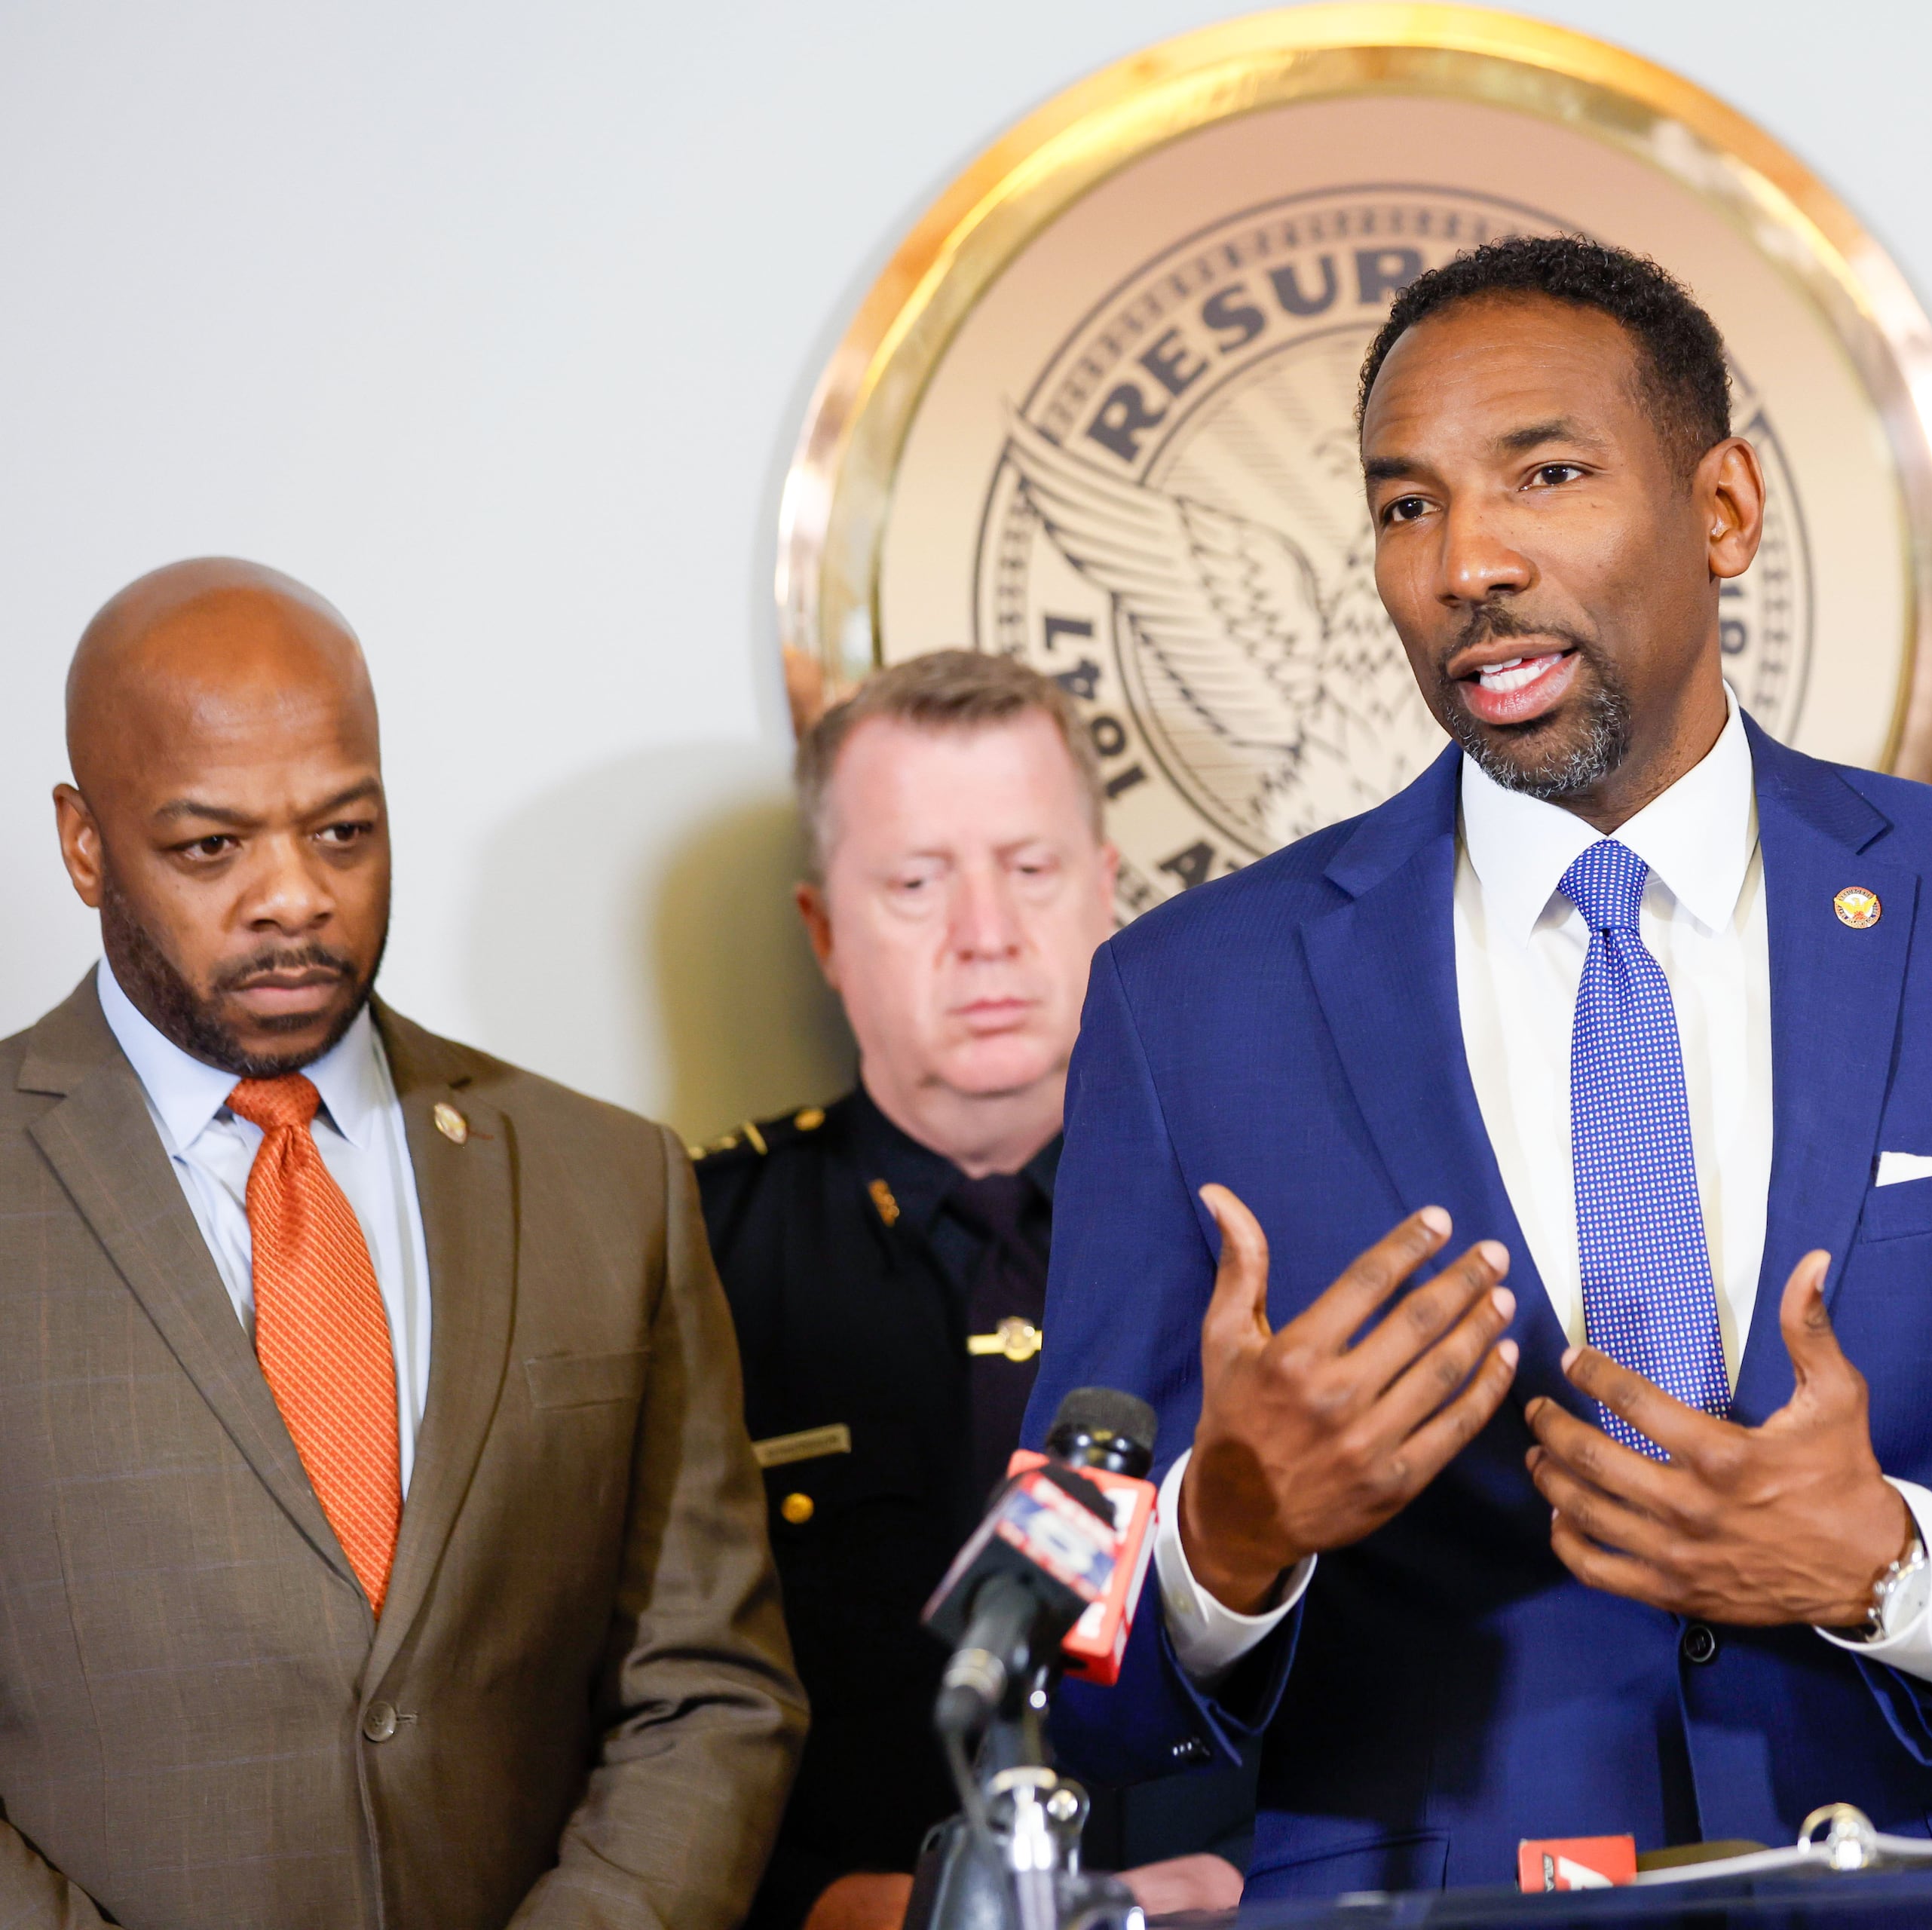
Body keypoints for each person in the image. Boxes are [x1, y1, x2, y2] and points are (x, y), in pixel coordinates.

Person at [1024, 235, 1932, 1895]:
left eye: (1543, 473)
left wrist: (1894, 1563)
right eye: (1407, 506)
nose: (1467, 557)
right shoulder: (1192, 999)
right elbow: (1042, 1654)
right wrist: (1220, 1539)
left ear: (1726, 512)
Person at [0, 559, 804, 1927]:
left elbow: (708, 1688)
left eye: (343, 833)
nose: (293, 897)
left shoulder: (608, 1182)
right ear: (85, 844)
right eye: (211, 848)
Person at [696, 652, 1248, 1930]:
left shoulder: (1264, 1224)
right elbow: (634, 1689)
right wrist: (821, 1905)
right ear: (823, 930)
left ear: (1106, 894)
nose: (985, 934)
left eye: (1032, 869)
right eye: (915, 881)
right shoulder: (692, 1254)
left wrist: (1262, 1869)